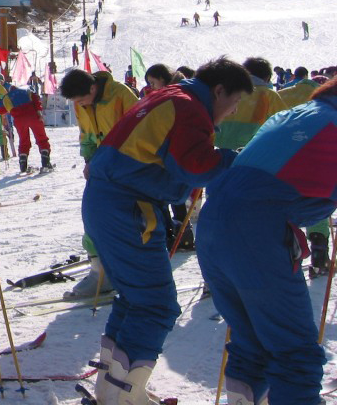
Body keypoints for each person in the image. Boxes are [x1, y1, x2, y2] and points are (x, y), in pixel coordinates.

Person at [83, 58, 252, 404]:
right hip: (128, 206)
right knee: (155, 305)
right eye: (234, 102)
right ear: (219, 90)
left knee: (134, 299)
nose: (233, 111)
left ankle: (112, 388)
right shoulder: (190, 107)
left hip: (107, 200)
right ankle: (123, 395)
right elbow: (194, 166)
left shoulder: (170, 96)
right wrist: (236, 161)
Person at [197, 76, 337, 405]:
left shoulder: (297, 113)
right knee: (294, 350)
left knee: (252, 342)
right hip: (256, 231)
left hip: (215, 222)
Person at [59, 68, 139, 298]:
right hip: (102, 165)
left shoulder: (120, 95)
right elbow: (86, 134)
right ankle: (100, 272)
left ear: (93, 88)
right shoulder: (81, 102)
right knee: (93, 216)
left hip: (128, 165)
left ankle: (133, 270)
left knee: (131, 219)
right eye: (76, 102)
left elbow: (142, 129)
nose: (79, 105)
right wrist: (88, 160)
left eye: (81, 100)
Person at [215, 57, 285, 151]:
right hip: (249, 146)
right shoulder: (269, 95)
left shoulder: (228, 91)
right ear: (267, 78)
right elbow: (284, 121)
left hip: (218, 141)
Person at [0, 81, 51, 172]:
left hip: (19, 120)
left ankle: (23, 164)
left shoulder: (7, 97)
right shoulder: (27, 90)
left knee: (24, 141)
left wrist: (0, 101)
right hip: (34, 116)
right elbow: (36, 99)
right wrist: (39, 112)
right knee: (41, 139)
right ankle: (46, 162)